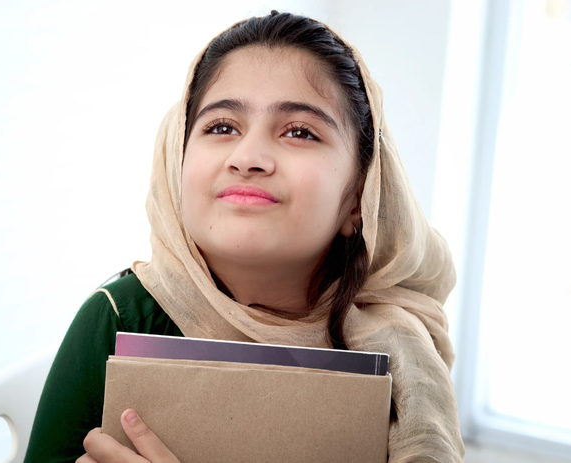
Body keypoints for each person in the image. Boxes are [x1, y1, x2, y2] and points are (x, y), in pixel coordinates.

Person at [24, 11, 465, 463]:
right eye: (221, 127)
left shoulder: (402, 354)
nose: (248, 157)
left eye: (299, 131)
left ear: (359, 199)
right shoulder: (118, 318)